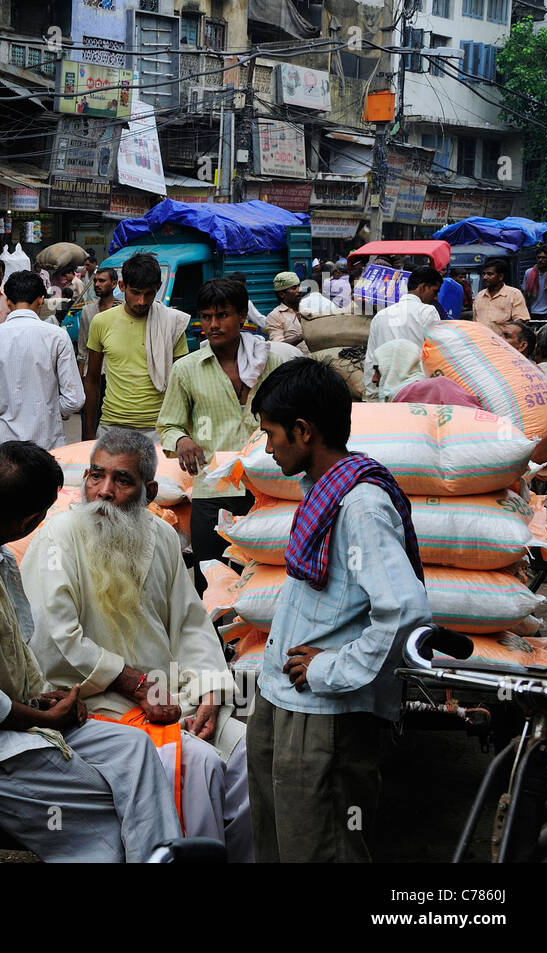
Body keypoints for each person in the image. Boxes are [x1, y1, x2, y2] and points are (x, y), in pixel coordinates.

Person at [0, 441, 182, 862]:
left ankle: (161, 856)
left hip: (6, 715)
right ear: (29, 520)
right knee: (100, 796)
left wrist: (41, 698)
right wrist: (43, 718)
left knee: (134, 750)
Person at [23, 430, 252, 861]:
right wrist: (134, 684)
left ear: (148, 492)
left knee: (246, 750)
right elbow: (54, 636)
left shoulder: (162, 537)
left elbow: (189, 624)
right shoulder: (59, 537)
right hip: (98, 701)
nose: (104, 491)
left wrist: (210, 691)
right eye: (96, 476)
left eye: (121, 480)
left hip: (170, 693)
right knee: (195, 764)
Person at [246, 358, 431, 862]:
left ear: (303, 431)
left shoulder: (360, 506)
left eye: (271, 434)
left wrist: (329, 667)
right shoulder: (325, 494)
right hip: (286, 701)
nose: (267, 447)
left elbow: (406, 613)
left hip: (324, 715)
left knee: (323, 847)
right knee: (280, 840)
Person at [157, 278, 297, 592]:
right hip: (213, 490)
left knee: (271, 582)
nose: (213, 324)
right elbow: (169, 425)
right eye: (206, 317)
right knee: (212, 583)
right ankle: (215, 643)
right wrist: (182, 441)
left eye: (222, 315)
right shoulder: (187, 369)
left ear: (242, 315)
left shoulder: (273, 362)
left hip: (272, 488)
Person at [0, 270, 84, 451]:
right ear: (40, 300)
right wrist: (47, 411)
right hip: (46, 445)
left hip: (1, 445)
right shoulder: (57, 336)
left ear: (7, 301)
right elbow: (74, 400)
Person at [83, 252, 189, 441]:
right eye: (135, 293)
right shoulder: (101, 322)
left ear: (158, 288)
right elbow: (92, 380)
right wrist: (89, 434)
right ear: (122, 287)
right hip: (112, 426)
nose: (141, 301)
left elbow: (182, 382)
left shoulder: (172, 323)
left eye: (148, 294)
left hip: (161, 428)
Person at [362, 265, 442, 402]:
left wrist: (371, 398)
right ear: (422, 288)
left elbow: (371, 361)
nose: (435, 297)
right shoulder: (427, 312)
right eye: (435, 291)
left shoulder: (380, 316)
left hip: (385, 396)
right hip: (418, 395)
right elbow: (437, 357)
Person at [77, 266, 117, 375]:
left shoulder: (122, 309)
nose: (97, 284)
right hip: (92, 372)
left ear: (114, 284)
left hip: (115, 373)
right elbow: (83, 348)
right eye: (95, 281)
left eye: (102, 281)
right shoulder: (88, 310)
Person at [473, 257, 529, 332]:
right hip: (482, 341)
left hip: (503, 341)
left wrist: (507, 336)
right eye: (484, 274)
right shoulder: (479, 296)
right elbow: (475, 321)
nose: (485, 277)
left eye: (489, 274)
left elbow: (521, 320)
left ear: (500, 276)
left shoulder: (514, 294)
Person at [263, 271, 309, 354]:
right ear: (282, 294)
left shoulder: (306, 309)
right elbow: (278, 346)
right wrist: (302, 336)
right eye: (294, 288)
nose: (300, 290)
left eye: (299, 286)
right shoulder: (275, 316)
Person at [523, 245, 547, 325]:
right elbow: (525, 294)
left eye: (544, 258)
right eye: (538, 257)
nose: (540, 260)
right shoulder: (529, 273)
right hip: (534, 312)